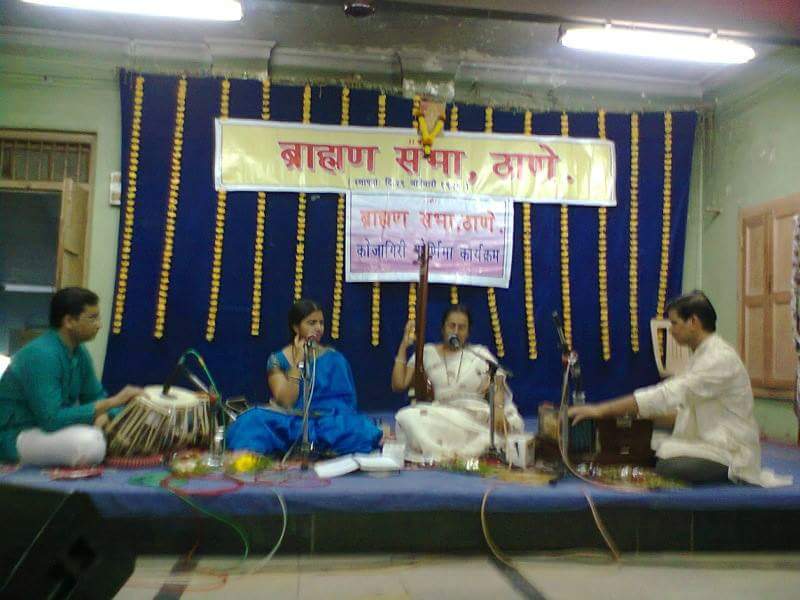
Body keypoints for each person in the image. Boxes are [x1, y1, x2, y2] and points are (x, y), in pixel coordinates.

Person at [570, 291, 791, 486]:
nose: (671, 330)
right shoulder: (701, 356)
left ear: (693, 321)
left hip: (731, 452)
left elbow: (666, 394)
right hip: (707, 444)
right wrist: (631, 417)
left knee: (668, 467)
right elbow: (680, 410)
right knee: (653, 452)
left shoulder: (719, 358)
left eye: (674, 323)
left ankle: (731, 476)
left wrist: (600, 410)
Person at [0, 287, 142, 466]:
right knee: (90, 443)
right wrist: (113, 403)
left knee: (128, 423)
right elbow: (51, 420)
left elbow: (95, 397)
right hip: (16, 435)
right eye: (92, 318)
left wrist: (105, 415)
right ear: (69, 321)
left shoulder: (79, 352)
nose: (99, 325)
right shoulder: (41, 355)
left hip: (46, 430)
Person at [226, 299, 382, 456]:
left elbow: (345, 406)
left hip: (327, 423)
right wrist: (298, 362)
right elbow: (286, 401)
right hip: (290, 421)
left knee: (358, 429)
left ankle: (319, 447)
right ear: (296, 327)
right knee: (251, 421)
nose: (318, 328)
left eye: (321, 323)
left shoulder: (335, 359)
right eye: (311, 323)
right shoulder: (277, 359)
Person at [391, 304, 524, 462]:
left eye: (461, 327)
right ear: (443, 328)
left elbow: (498, 382)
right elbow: (399, 384)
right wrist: (404, 345)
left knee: (507, 423)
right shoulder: (427, 352)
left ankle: (456, 451)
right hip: (442, 415)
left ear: (468, 332)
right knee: (407, 417)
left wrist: (499, 409)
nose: (456, 331)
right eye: (451, 326)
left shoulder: (478, 354)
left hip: (475, 416)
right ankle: (465, 452)